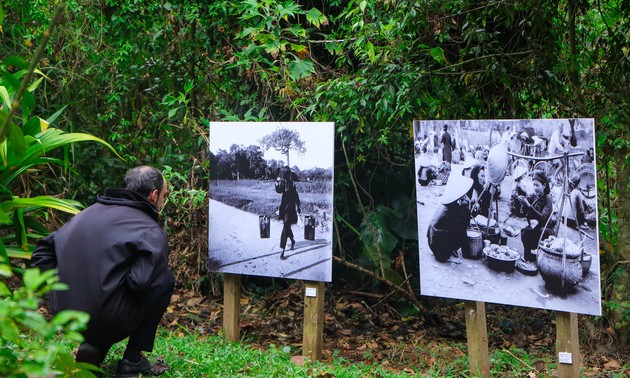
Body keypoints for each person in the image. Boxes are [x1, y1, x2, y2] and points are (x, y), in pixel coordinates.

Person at [31, 166, 174, 376]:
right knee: (165, 280)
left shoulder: (84, 215)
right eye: (164, 195)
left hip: (65, 314)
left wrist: (56, 290)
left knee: (107, 294)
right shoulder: (149, 230)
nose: (163, 200)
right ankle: (132, 358)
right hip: (108, 315)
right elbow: (140, 282)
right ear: (154, 195)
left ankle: (92, 349)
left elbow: (41, 253)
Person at [426, 174, 473, 262]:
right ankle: (448, 255)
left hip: (433, 242)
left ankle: (450, 251)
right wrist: (468, 206)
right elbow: (465, 224)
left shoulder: (447, 204)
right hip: (440, 251)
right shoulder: (453, 207)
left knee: (457, 226)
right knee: (461, 229)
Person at [518, 170, 557, 263]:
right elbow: (523, 212)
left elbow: (544, 219)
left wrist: (529, 206)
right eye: (534, 185)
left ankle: (541, 258)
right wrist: (521, 202)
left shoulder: (548, 198)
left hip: (545, 228)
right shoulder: (534, 196)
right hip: (535, 227)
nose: (535, 188)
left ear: (544, 186)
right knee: (525, 232)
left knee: (540, 232)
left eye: (537, 185)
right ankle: (528, 257)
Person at [277, 166, 301, 259]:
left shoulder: (292, 184)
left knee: (285, 228)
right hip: (283, 209)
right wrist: (277, 182)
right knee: (287, 227)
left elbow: (296, 196)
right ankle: (293, 241)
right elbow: (278, 191)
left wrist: (299, 206)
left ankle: (282, 251)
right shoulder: (282, 183)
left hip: (291, 209)